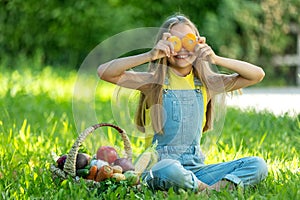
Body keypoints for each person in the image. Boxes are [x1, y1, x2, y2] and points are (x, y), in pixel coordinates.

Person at [97, 14, 268, 192]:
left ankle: (204, 191)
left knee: (257, 165)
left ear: (199, 44)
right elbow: (105, 72)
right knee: (168, 168)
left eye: (188, 41)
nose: (182, 49)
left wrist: (215, 59)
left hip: (196, 170)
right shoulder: (152, 83)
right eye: (174, 41)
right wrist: (150, 54)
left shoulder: (208, 85)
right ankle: (212, 191)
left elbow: (257, 75)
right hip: (159, 169)